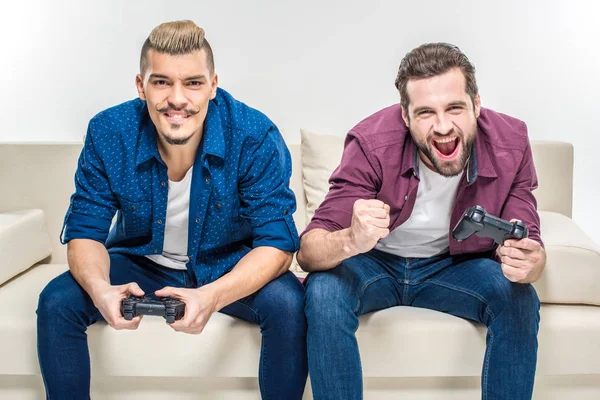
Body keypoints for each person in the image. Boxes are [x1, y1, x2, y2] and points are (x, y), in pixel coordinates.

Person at [36, 20, 307, 399]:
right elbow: (85, 231)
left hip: (226, 263)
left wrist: (212, 296)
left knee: (288, 302)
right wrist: (100, 290)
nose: (177, 99)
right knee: (56, 301)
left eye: (193, 83)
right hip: (140, 262)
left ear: (213, 86)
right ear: (140, 85)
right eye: (161, 81)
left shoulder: (253, 135)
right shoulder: (109, 131)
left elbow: (277, 245)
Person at [298, 42, 545, 400]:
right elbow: (309, 251)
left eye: (455, 108)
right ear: (405, 116)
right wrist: (351, 239)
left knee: (520, 297)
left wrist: (530, 262)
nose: (443, 126)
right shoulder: (370, 142)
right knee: (323, 292)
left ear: (477, 105)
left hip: (454, 266)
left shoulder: (512, 142)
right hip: (373, 264)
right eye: (426, 112)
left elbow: (531, 245)